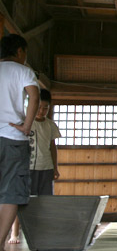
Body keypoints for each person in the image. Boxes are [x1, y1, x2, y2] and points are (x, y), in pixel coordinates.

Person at [0, 34, 40, 250]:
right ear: (19, 52)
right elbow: (34, 96)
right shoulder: (23, 71)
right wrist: (26, 125)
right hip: (13, 138)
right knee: (11, 192)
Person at [8, 89, 61, 244]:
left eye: (46, 108)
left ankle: (42, 231)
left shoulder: (50, 125)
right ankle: (14, 233)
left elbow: (53, 147)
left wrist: (55, 167)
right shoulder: (25, 123)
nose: (42, 111)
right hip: (27, 168)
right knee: (22, 200)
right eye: (39, 107)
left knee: (44, 201)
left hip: (46, 168)